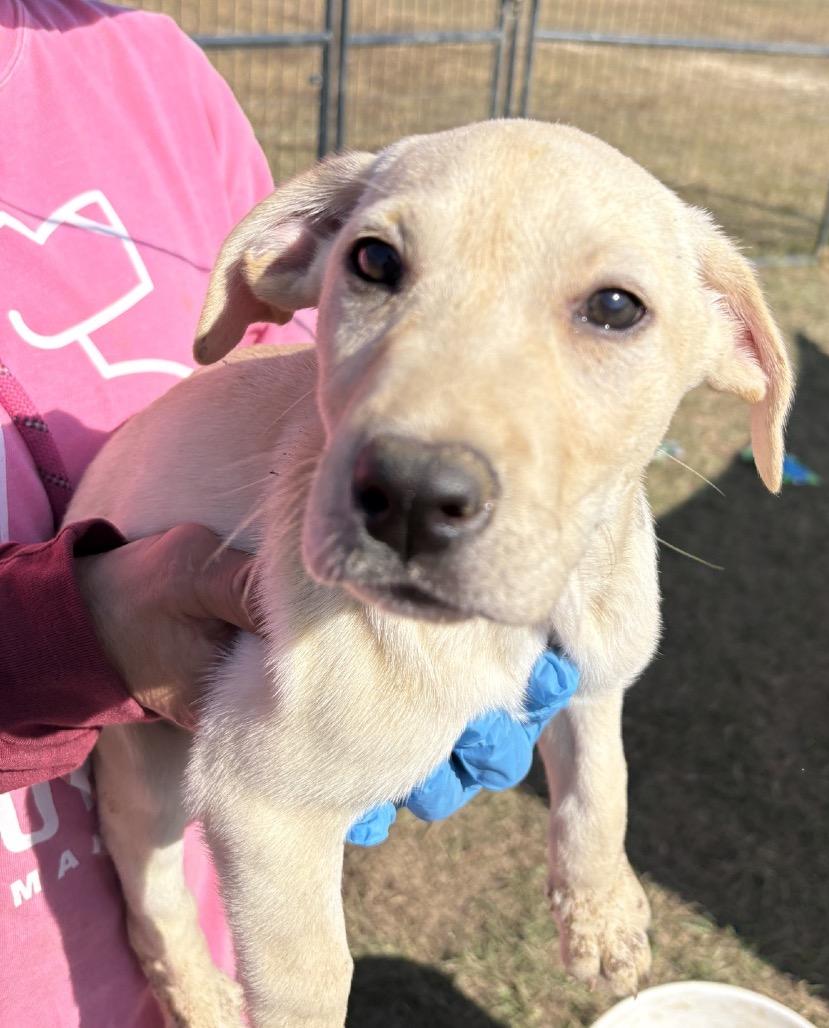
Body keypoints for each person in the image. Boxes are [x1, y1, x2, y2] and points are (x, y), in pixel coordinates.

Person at [0, 2, 576, 1023]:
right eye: (380, 260)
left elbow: (311, 384)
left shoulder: (145, 64)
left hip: (209, 922)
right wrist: (69, 633)